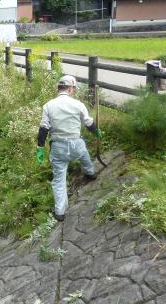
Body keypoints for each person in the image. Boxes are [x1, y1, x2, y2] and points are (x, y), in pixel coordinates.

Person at [36, 75, 102, 222]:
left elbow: (43, 128)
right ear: (71, 89)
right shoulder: (78, 105)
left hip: (58, 147)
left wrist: (40, 147)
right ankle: (90, 173)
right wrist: (96, 131)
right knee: (84, 154)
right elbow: (88, 123)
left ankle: (60, 212)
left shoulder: (48, 106)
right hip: (76, 144)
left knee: (59, 178)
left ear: (59, 88)